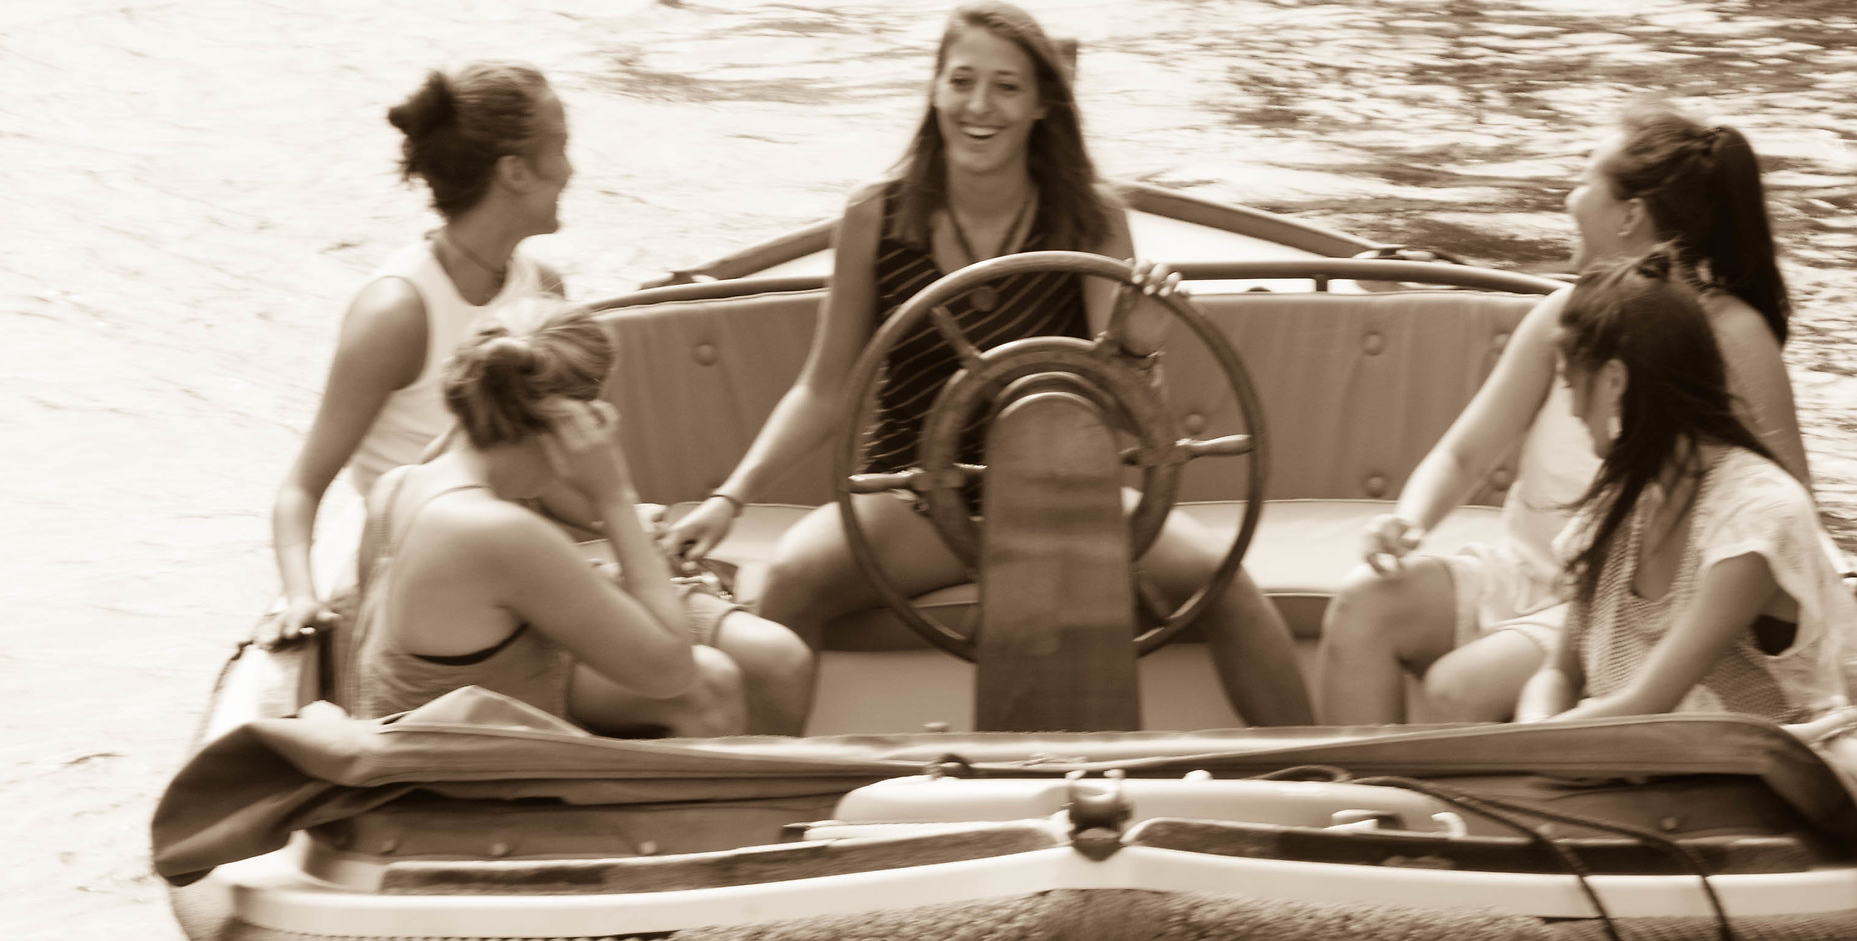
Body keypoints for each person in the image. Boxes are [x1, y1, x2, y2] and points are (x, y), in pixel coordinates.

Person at [660, 3, 1313, 728]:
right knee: (785, 579)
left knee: (1225, 588)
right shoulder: (875, 216)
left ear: (1040, 106)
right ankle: (767, 802)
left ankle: (1322, 786)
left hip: (1071, 497)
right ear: (935, 90)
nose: (979, 106)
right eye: (961, 80)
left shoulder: (1091, 219)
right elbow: (823, 388)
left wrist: (1138, 339)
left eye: (1006, 87)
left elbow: (1131, 420)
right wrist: (730, 498)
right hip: (913, 495)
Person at [270, 63, 813, 731]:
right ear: (515, 171)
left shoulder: (536, 291)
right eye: (560, 144)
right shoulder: (395, 311)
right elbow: (304, 486)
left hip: (528, 553)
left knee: (775, 661)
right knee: (706, 684)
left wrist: (628, 518)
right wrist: (299, 595)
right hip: (460, 588)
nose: (572, 167)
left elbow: (531, 473)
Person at [1316, 107, 1810, 725]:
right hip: (1528, 573)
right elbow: (1464, 454)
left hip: (1633, 601)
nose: (1567, 196)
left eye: (1582, 179)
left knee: (1456, 687)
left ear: (1629, 214)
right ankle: (1360, 810)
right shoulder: (1562, 313)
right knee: (1361, 606)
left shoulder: (1735, 336)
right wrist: (1407, 523)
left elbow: (1781, 522)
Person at [1514, 252, 1857, 728]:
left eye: (1572, 385)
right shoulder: (1616, 507)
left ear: (1614, 381)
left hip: (1743, 792)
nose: (1575, 411)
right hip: (1616, 777)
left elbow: (1646, 707)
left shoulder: (1758, 517)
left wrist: (1534, 746)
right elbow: (1558, 673)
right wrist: (1533, 726)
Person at [347, 309, 748, 738]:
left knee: (716, 678)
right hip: (454, 783)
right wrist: (613, 497)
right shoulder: (497, 532)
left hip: (405, 750)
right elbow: (671, 671)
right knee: (709, 687)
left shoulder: (396, 488)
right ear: (570, 425)